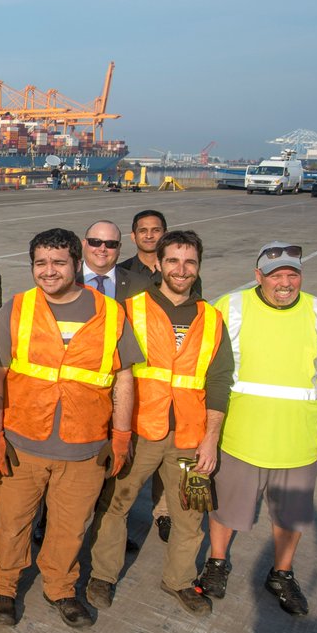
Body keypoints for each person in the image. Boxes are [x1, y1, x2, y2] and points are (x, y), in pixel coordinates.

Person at [0, 228, 142, 630]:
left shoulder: (111, 314)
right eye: (40, 263)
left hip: (85, 447)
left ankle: (60, 588)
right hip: (23, 442)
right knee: (12, 523)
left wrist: (120, 436)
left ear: (77, 264)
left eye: (58, 262)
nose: (48, 271)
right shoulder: (15, 310)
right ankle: (3, 586)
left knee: (70, 528)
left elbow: (124, 379)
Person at [197, 242, 317, 617]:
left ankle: (281, 573)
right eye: (276, 275)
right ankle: (217, 563)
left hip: (298, 444)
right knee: (223, 511)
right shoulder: (230, 307)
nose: (285, 283)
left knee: (291, 517)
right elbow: (204, 367)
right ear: (259, 277)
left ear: (300, 276)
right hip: (238, 438)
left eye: (292, 274)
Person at [86, 230, 232, 618]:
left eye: (189, 262)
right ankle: (102, 574)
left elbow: (219, 380)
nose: (181, 270)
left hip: (191, 436)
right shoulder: (130, 309)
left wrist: (211, 439)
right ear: (159, 264)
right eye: (173, 261)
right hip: (138, 430)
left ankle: (180, 580)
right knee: (114, 505)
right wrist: (117, 432)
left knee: (191, 513)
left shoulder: (213, 319)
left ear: (198, 266)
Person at [116, 209, 200, 542]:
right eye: (143, 230)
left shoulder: (183, 272)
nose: (149, 236)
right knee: (126, 479)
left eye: (156, 230)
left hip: (179, 406)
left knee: (170, 478)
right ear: (133, 236)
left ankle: (163, 514)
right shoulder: (124, 273)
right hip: (138, 395)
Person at [79, 220, 141, 301]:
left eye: (111, 244)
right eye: (95, 242)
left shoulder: (139, 285)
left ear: (119, 248)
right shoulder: (66, 278)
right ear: (83, 244)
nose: (102, 249)